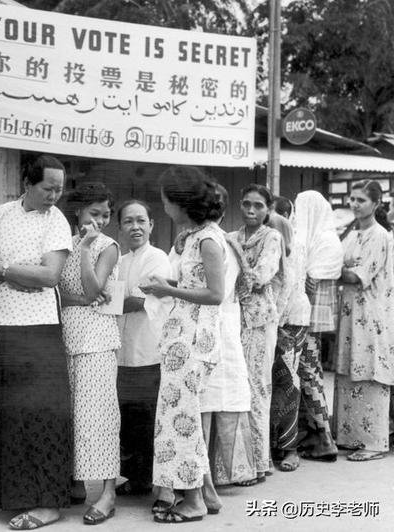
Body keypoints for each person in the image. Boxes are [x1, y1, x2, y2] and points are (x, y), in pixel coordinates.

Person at [0, 154, 72, 530]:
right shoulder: (2, 214)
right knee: (8, 416)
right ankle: (15, 497)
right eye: (48, 187)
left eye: (59, 189)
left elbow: (50, 275)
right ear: (27, 182)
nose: (54, 195)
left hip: (39, 329)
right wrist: (20, 274)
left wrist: (6, 270)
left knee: (42, 416)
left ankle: (48, 502)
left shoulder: (56, 221)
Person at [141, 166, 225, 523]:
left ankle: (193, 502)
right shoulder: (192, 236)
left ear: (179, 201)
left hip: (193, 341)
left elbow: (216, 294)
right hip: (180, 338)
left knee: (181, 420)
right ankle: (206, 492)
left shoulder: (208, 239)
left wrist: (168, 290)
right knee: (178, 416)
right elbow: (194, 281)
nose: (163, 206)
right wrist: (170, 282)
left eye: (165, 199)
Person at [58, 184, 120, 524]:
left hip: (97, 337)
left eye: (106, 214)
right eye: (93, 213)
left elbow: (93, 289)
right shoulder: (61, 241)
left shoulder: (107, 247)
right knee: (71, 414)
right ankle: (77, 484)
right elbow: (61, 295)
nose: (99, 220)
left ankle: (107, 492)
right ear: (78, 211)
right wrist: (78, 299)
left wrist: (84, 249)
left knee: (99, 416)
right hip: (66, 332)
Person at [199, 184, 255, 497]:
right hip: (214, 322)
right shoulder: (202, 239)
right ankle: (209, 474)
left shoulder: (218, 242)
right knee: (211, 396)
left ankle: (222, 473)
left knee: (221, 395)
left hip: (218, 321)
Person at [333, 180, 394, 461]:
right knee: (347, 370)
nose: (355, 204)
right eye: (352, 199)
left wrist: (334, 269)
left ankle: (374, 442)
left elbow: (357, 275)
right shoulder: (352, 233)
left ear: (376, 204)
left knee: (370, 370)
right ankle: (350, 436)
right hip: (349, 312)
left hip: (371, 313)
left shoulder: (379, 235)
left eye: (361, 200)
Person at [226, 184, 283, 485]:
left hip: (260, 321)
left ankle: (260, 462)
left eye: (258, 205)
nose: (250, 210)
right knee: (237, 386)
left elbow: (259, 277)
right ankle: (238, 463)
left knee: (257, 386)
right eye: (246, 204)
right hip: (234, 319)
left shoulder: (272, 237)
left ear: (268, 209)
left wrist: (234, 253)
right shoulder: (231, 237)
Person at [115, 200, 170, 497]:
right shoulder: (119, 261)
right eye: (128, 221)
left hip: (148, 351)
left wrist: (108, 301)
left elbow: (138, 301)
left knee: (147, 419)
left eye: (141, 221)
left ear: (151, 225)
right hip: (122, 352)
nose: (135, 227)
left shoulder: (158, 258)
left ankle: (149, 479)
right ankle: (135, 478)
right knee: (128, 420)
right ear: (120, 227)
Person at [292, 191, 343, 462]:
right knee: (314, 374)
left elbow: (308, 284)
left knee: (309, 375)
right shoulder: (327, 238)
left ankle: (325, 438)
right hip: (317, 319)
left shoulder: (320, 241)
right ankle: (315, 432)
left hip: (308, 320)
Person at [267, 212, 310, 473]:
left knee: (287, 381)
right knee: (269, 383)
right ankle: (274, 444)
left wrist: (274, 323)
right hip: (272, 322)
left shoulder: (291, 254)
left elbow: (286, 291)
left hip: (290, 320)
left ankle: (290, 447)